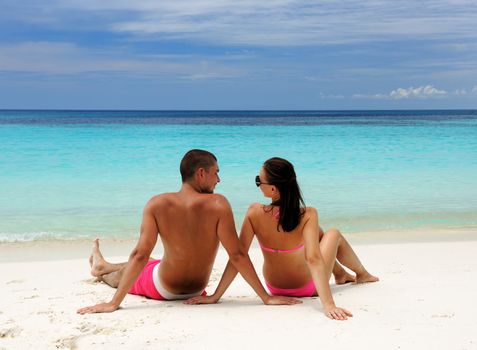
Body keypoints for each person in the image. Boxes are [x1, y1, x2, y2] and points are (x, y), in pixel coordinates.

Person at [77, 150, 300, 314]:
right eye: (216, 173)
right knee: (128, 272)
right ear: (201, 173)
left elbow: (139, 255)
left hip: (163, 287)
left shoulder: (157, 204)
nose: (219, 180)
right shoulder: (219, 204)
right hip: (192, 289)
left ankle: (102, 265)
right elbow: (238, 255)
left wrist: (115, 303)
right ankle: (103, 269)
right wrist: (265, 298)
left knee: (149, 262)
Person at [185, 157, 378, 320]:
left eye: (259, 181)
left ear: (273, 190)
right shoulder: (308, 214)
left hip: (274, 287)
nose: (258, 185)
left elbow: (238, 256)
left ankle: (341, 274)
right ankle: (362, 274)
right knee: (333, 233)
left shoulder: (254, 212)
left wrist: (216, 296)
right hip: (307, 287)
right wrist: (328, 305)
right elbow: (313, 258)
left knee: (318, 232)